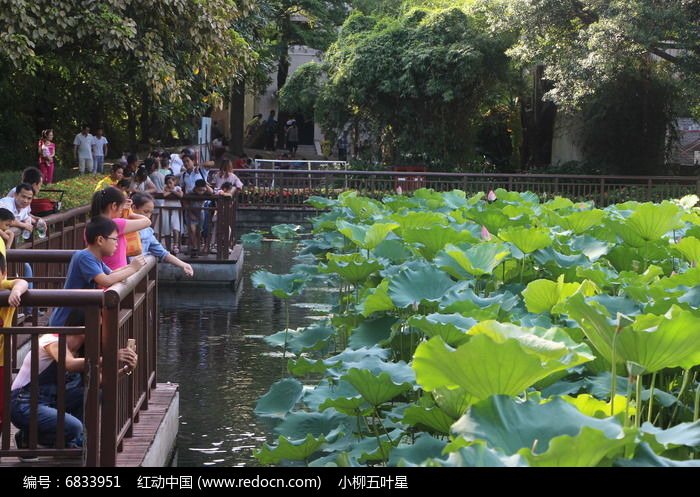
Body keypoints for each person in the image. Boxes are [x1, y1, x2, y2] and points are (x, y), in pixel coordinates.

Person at [11, 216, 143, 454]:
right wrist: (134, 268)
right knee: (72, 374)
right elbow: (106, 280)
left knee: (89, 385)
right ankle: (41, 433)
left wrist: (123, 367)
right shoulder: (84, 256)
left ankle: (65, 434)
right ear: (100, 239)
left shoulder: (95, 259)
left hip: (78, 325)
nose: (117, 244)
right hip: (65, 326)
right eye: (115, 239)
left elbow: (113, 275)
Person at [0, 253, 28, 439]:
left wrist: (16, 292)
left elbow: (21, 282)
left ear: (3, 274)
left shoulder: (4, 288)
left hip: (0, 362)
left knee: (2, 408)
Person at [130, 193, 193, 277]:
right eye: (145, 212)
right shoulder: (122, 227)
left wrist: (183, 265)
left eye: (151, 212)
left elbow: (162, 253)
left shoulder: (147, 231)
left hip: (137, 275)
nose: (148, 216)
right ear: (133, 208)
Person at [90, 187, 151, 270]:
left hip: (100, 276)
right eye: (121, 209)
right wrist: (130, 212)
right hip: (116, 277)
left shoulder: (91, 225)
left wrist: (122, 207)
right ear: (114, 206)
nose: (121, 212)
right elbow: (147, 221)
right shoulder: (116, 224)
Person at [185, 179, 212, 258]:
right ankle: (194, 248)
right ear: (195, 188)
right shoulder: (190, 192)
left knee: (198, 231)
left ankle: (196, 247)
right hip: (191, 213)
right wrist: (190, 213)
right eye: (199, 190)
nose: (201, 192)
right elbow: (185, 203)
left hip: (200, 213)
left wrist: (206, 185)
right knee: (192, 231)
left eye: (203, 190)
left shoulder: (206, 192)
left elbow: (211, 192)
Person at [161, 175, 183, 254]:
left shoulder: (177, 188)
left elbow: (181, 195)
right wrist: (169, 191)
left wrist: (171, 191)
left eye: (171, 182)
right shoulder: (165, 188)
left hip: (176, 209)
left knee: (176, 227)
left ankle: (175, 245)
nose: (169, 184)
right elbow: (164, 195)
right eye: (168, 183)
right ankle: (168, 248)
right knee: (167, 228)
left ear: (175, 182)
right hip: (166, 208)